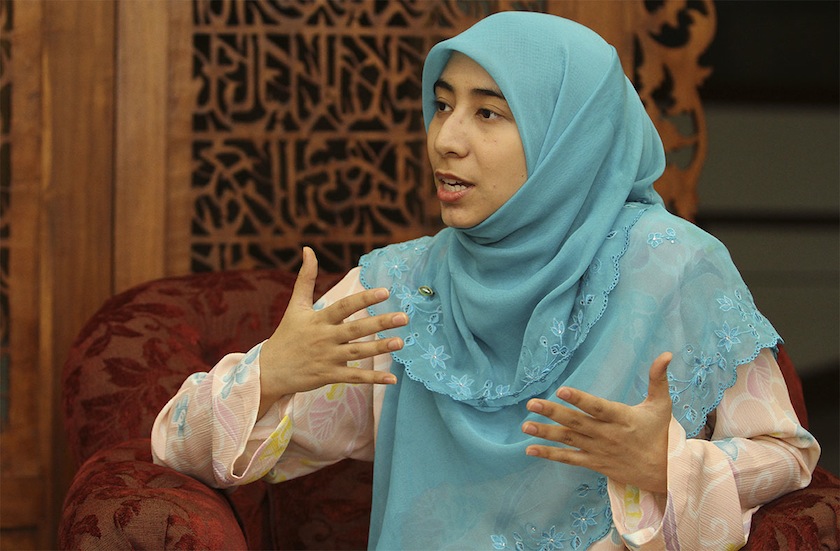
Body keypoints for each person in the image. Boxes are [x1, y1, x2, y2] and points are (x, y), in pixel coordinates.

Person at [152, 11, 819, 550]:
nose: (445, 139)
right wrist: (272, 373)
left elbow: (786, 455)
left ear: (569, 136)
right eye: (442, 105)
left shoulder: (674, 266)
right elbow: (177, 445)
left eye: (488, 113)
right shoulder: (402, 287)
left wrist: (667, 467)